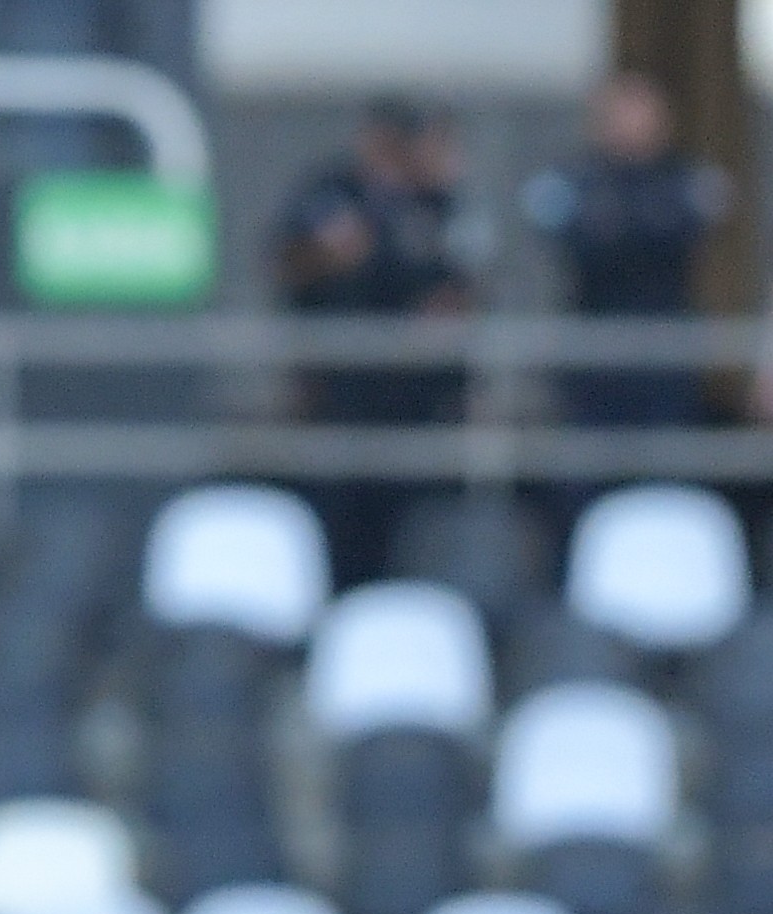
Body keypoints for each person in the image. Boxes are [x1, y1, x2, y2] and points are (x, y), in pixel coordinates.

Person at [274, 97, 477, 583]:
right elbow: (290, 261)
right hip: (338, 389)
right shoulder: (330, 190)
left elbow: (459, 292)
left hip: (414, 398)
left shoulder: (433, 204)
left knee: (413, 531)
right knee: (335, 524)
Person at [524, 72, 727, 428]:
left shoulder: (688, 181)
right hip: (593, 357)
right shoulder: (572, 182)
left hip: (664, 360)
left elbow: (678, 232)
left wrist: (617, 227)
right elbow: (578, 241)